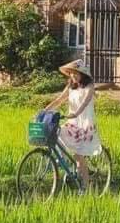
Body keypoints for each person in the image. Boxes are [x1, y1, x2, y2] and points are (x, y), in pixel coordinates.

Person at [44, 59, 102, 188]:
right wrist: (44, 111)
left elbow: (85, 102)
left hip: (85, 124)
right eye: (71, 73)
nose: (73, 76)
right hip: (73, 123)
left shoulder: (89, 86)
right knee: (57, 133)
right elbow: (59, 99)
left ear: (83, 74)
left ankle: (86, 187)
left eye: (76, 73)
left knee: (78, 156)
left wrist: (76, 113)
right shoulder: (71, 86)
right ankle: (62, 160)